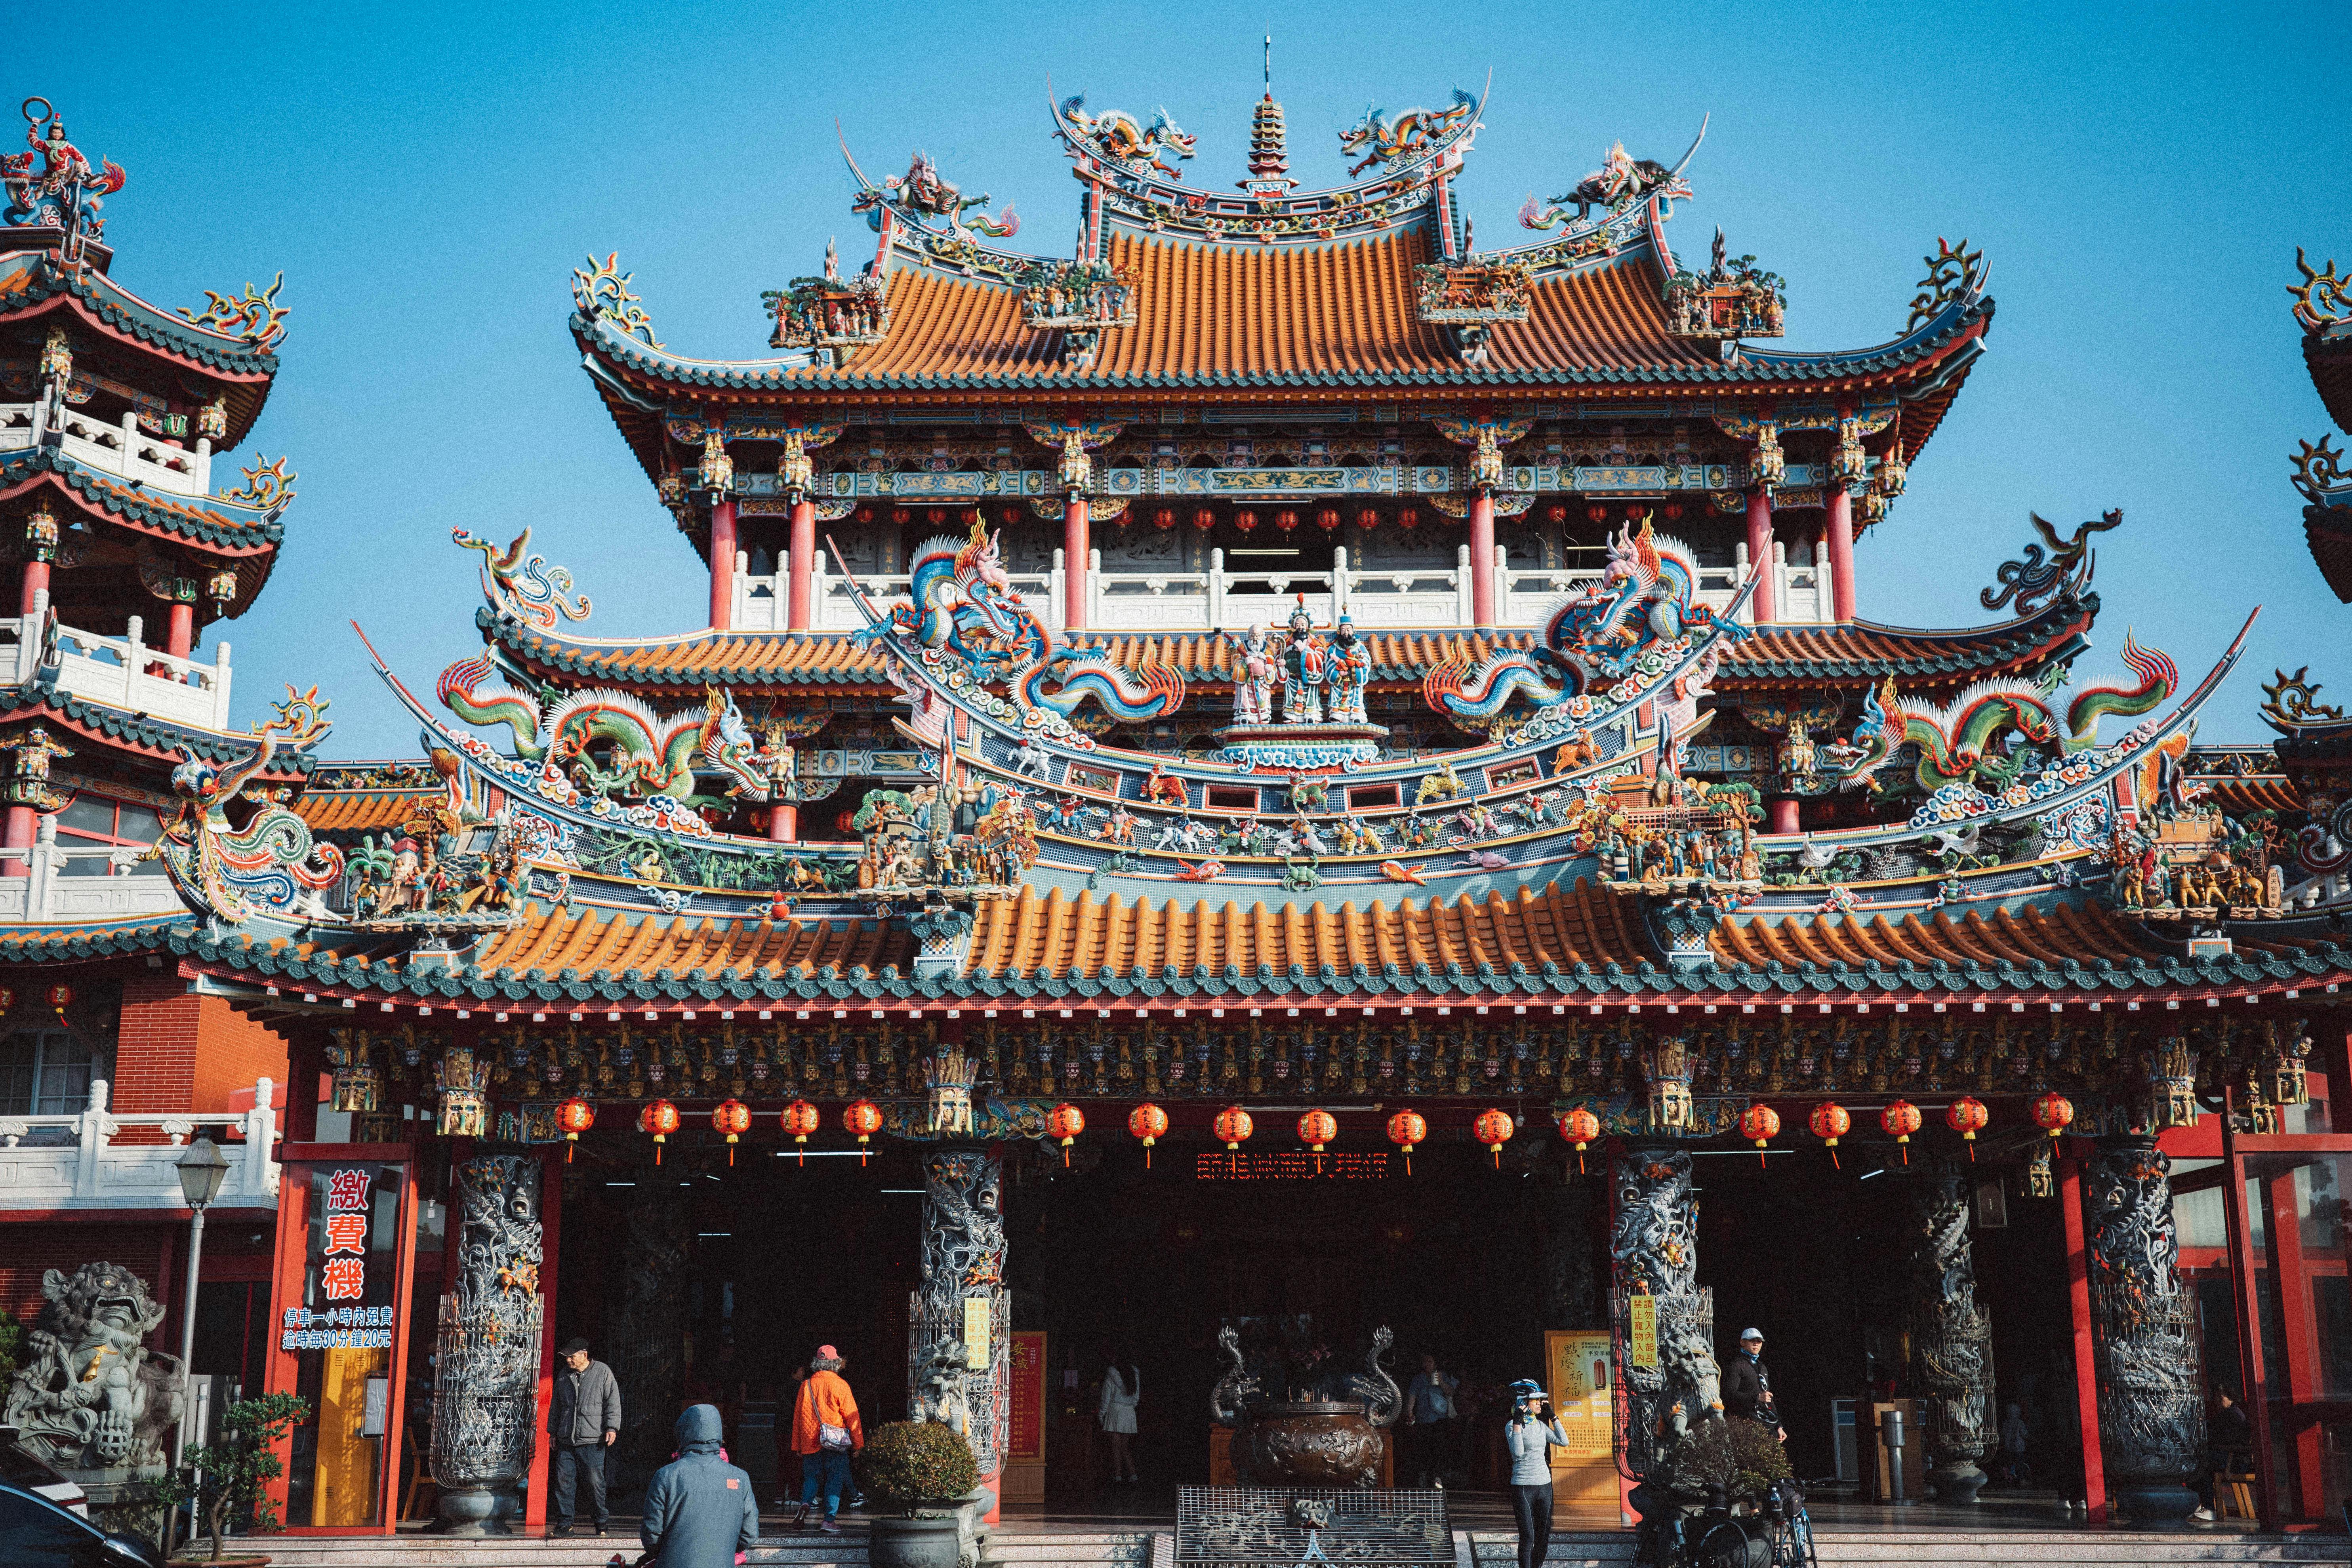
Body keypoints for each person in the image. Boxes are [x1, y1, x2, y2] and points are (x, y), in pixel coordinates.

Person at [641, 1404, 760, 1568]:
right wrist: (720, 1552)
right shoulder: (740, 1478)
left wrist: (670, 1554)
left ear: (683, 1432)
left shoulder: (666, 1475)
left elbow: (651, 1535)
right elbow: (750, 1534)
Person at [547, 1336, 619, 1536]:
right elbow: (556, 1405)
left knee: (595, 1482)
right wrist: (553, 1431)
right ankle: (565, 1523)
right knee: (564, 1482)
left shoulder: (603, 1372)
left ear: (584, 1355)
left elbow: (612, 1402)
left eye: (572, 1357)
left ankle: (601, 1522)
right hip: (566, 1438)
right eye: (566, 1357)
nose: (568, 1361)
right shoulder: (564, 1375)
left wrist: (612, 1427)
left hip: (593, 1439)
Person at [791, 1344, 864, 1532]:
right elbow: (852, 1417)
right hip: (835, 1442)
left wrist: (797, 1445)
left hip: (809, 1441)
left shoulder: (805, 1385)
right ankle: (829, 1521)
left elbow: (798, 1418)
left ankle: (806, 1503)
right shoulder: (841, 1385)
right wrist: (858, 1445)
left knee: (811, 1478)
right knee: (834, 1479)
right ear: (836, 1364)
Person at [1504, 1378, 1570, 1568]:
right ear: (1524, 1403)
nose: (1540, 1404)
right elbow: (1517, 1453)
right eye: (1536, 1400)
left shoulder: (1541, 1426)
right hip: (1523, 1485)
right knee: (1528, 1537)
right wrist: (1517, 1422)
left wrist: (1554, 1417)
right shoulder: (1512, 1426)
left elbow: (1563, 1441)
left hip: (1545, 1486)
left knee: (1543, 1537)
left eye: (1541, 1400)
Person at [2190, 1388, 2252, 1522]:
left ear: (2231, 1397)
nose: (2218, 1401)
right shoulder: (2228, 1414)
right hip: (2230, 1457)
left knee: (2201, 1467)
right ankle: (2201, 1505)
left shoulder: (2233, 1415)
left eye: (2221, 1397)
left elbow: (2224, 1438)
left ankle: (2209, 1507)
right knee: (2198, 1465)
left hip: (2234, 1461)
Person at [1402, 1353, 1460, 1487]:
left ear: (1435, 1364)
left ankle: (1437, 1478)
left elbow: (1451, 1392)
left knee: (1439, 1450)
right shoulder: (1418, 1379)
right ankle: (1424, 1477)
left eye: (1430, 1362)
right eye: (1425, 1362)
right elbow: (1412, 1397)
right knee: (1424, 1450)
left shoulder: (1442, 1375)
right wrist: (1410, 1412)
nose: (1427, 1364)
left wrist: (1442, 1382)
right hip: (1423, 1420)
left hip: (1440, 1419)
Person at [1721, 1328, 1784, 1442]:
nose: (1756, 1344)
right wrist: (1757, 1397)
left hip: (1765, 1425)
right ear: (1743, 1342)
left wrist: (1779, 1426)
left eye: (1759, 1341)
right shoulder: (1737, 1365)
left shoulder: (1762, 1367)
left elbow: (1769, 1398)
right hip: (1745, 1425)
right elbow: (1729, 1395)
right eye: (1752, 1340)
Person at [1098, 1348, 1140, 1484]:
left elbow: (1107, 1396)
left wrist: (1101, 1415)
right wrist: (1130, 1406)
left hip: (1115, 1411)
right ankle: (1133, 1474)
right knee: (1125, 1447)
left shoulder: (1111, 1375)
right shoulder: (1134, 1373)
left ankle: (1118, 1477)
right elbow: (1136, 1397)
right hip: (1129, 1412)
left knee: (1116, 1447)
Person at [1998, 1402, 2032, 1487]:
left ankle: (2010, 1479)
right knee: (2019, 1464)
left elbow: (2003, 1434)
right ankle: (2021, 1480)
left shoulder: (2007, 1423)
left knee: (2010, 1464)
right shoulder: (2020, 1423)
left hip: (2009, 1447)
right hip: (2019, 1448)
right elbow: (2025, 1434)